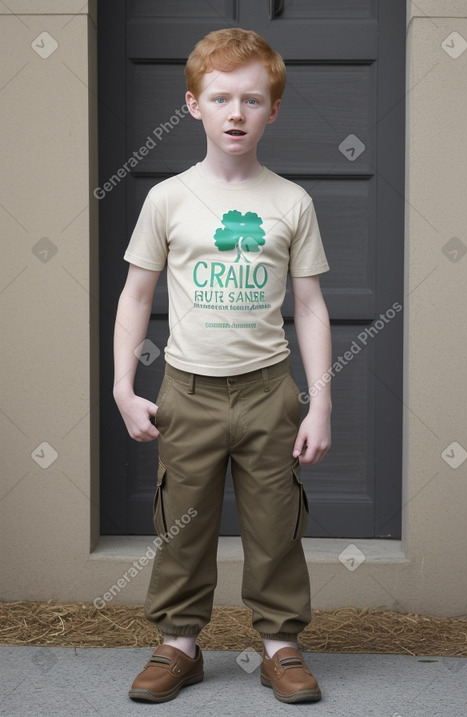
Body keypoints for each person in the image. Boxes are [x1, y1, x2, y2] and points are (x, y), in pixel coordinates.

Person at [113, 27, 332, 705]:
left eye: (252, 100)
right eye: (221, 98)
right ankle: (179, 643)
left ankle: (280, 645)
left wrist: (319, 401)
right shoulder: (168, 199)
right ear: (193, 105)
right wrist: (123, 387)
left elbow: (311, 306)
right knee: (182, 523)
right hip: (188, 391)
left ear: (273, 110)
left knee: (276, 524)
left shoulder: (291, 201)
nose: (236, 112)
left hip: (269, 392)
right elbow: (137, 295)